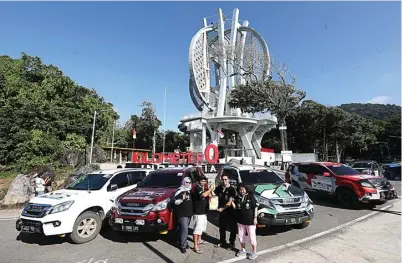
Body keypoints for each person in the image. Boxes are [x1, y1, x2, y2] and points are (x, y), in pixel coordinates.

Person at [232, 183, 258, 260]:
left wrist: (255, 218)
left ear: (246, 189)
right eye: (240, 189)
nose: (241, 191)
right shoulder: (237, 197)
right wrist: (232, 202)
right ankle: (243, 249)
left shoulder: (250, 196)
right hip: (240, 220)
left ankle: (254, 252)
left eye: (243, 189)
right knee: (241, 236)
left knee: (252, 236)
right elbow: (236, 208)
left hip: (250, 221)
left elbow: (255, 207)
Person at [213, 172, 237, 250]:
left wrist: (222, 208)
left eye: (226, 179)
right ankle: (222, 241)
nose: (224, 181)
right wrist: (210, 189)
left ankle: (231, 243)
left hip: (230, 212)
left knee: (232, 228)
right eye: (223, 179)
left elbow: (230, 202)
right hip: (221, 212)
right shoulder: (219, 188)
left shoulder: (232, 189)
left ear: (229, 180)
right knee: (222, 228)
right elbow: (213, 196)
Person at [192, 175, 214, 254]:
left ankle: (199, 240)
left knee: (201, 228)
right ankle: (195, 246)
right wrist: (211, 189)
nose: (203, 182)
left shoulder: (203, 188)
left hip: (204, 212)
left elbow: (209, 196)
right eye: (202, 181)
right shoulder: (197, 187)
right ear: (198, 181)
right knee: (197, 230)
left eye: (204, 181)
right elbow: (204, 195)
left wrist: (211, 193)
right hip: (198, 212)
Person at [172, 177, 193, 254]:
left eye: (189, 182)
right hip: (182, 214)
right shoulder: (180, 191)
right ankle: (183, 246)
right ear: (183, 182)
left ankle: (183, 242)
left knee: (184, 229)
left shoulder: (188, 191)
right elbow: (175, 202)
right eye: (187, 182)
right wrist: (182, 200)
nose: (188, 184)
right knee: (185, 229)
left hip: (188, 214)